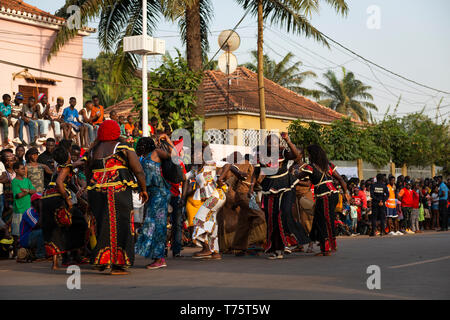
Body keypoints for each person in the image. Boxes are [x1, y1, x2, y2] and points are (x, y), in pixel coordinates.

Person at [86, 120, 148, 275]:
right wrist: (143, 189)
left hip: (97, 192)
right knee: (122, 224)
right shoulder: (123, 147)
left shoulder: (93, 150)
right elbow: (138, 170)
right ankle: (118, 265)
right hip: (118, 190)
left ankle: (103, 260)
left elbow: (88, 174)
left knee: (102, 224)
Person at [250, 133, 309, 259]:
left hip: (285, 186)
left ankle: (289, 241)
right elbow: (256, 174)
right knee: (271, 218)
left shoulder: (283, 153)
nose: (273, 145)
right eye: (271, 143)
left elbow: (296, 156)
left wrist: (287, 140)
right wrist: (251, 187)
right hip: (269, 188)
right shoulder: (261, 156)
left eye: (276, 143)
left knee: (284, 213)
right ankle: (277, 249)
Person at [295, 144, 351, 256]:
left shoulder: (310, 167)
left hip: (325, 196)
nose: (308, 157)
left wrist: (294, 171)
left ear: (312, 155)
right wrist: (346, 193)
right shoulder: (328, 165)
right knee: (322, 220)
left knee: (324, 221)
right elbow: (340, 179)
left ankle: (327, 249)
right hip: (333, 194)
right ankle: (325, 245)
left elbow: (298, 176)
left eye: (309, 154)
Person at [41, 146, 88, 270]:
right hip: (57, 199)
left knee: (54, 229)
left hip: (46, 198)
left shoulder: (58, 167)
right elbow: (59, 182)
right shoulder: (66, 167)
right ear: (67, 157)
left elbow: (78, 163)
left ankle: (56, 263)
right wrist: (68, 199)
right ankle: (73, 255)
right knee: (80, 223)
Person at [135, 136, 173, 268]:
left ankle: (160, 258)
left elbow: (175, 156)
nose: (139, 147)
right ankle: (157, 256)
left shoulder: (156, 153)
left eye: (141, 145)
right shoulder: (143, 158)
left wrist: (168, 141)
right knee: (152, 225)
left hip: (160, 193)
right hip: (151, 195)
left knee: (157, 226)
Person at [218, 153, 266, 256]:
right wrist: (240, 174)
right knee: (260, 215)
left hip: (245, 195)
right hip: (245, 195)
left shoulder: (256, 167)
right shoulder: (246, 163)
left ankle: (239, 247)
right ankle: (252, 243)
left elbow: (256, 183)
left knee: (244, 222)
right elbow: (232, 167)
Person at [11, 162, 36, 257]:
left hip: (28, 210)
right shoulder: (14, 182)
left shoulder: (27, 180)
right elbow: (18, 195)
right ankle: (16, 254)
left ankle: (26, 253)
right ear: (16, 170)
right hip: (19, 210)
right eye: (22, 169)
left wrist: (26, 191)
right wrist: (28, 191)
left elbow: (34, 191)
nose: (24, 170)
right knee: (17, 234)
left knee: (27, 232)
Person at [17, 193, 45, 262]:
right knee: (42, 231)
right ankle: (40, 255)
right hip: (26, 239)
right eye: (39, 200)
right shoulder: (29, 212)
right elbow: (38, 226)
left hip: (33, 236)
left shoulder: (38, 212)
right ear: (34, 202)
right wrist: (42, 210)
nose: (41, 202)